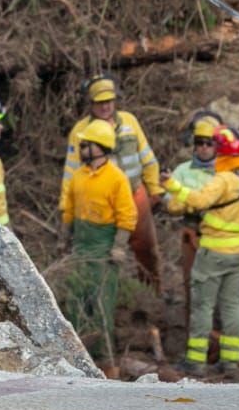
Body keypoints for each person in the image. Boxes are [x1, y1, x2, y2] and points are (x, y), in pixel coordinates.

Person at [164, 114, 239, 351]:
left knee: (229, 298)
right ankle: (220, 351)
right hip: (197, 238)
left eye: (209, 143)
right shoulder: (187, 171)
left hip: (216, 245)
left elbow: (193, 199)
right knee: (200, 295)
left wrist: (185, 194)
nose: (204, 148)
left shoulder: (223, 177)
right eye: (199, 142)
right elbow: (172, 205)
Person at [61, 76, 163, 291]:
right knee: (104, 256)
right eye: (100, 102)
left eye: (110, 101)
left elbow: (148, 158)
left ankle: (153, 288)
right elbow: (70, 174)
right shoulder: (81, 132)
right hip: (101, 202)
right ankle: (106, 296)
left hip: (135, 194)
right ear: (91, 104)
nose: (106, 106)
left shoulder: (129, 122)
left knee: (147, 248)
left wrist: (155, 190)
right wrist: (66, 214)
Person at [59, 118, 136, 366]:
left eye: (85, 146)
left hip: (104, 251)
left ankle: (104, 358)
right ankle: (78, 354)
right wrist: (63, 239)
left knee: (101, 302)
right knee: (76, 300)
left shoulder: (116, 178)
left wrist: (119, 246)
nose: (81, 150)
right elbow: (68, 210)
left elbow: (127, 215)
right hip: (80, 248)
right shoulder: (78, 176)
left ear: (100, 147)